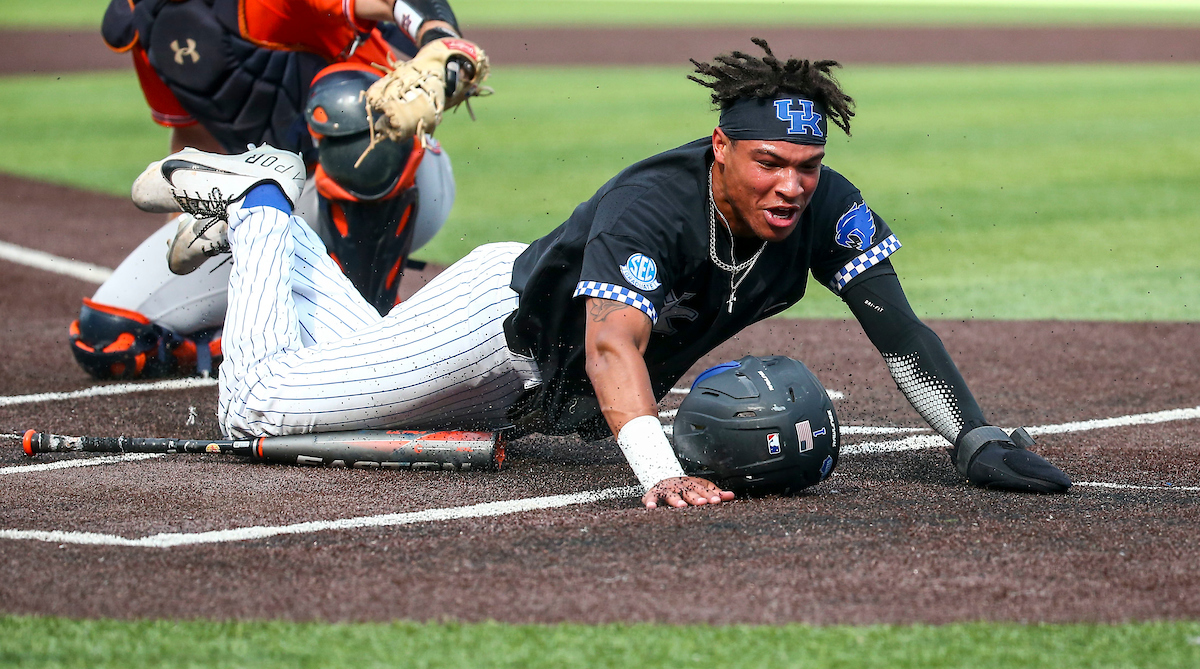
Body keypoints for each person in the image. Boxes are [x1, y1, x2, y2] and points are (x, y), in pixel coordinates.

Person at [130, 39, 1072, 509]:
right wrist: (658, 469)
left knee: (348, 364)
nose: (791, 186)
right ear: (720, 151)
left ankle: (285, 254)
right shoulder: (653, 204)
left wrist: (973, 436)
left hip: (535, 380)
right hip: (494, 328)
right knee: (253, 407)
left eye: (806, 167)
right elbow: (612, 340)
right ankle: (262, 197)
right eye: (768, 164)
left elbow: (899, 332)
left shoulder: (828, 209)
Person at [72, 0, 470, 379]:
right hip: (268, 205)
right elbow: (194, 138)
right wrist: (192, 228)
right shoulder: (146, 20)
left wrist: (438, 38)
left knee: (345, 103)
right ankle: (246, 335)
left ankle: (368, 326)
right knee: (109, 338)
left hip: (399, 175)